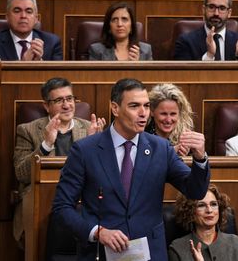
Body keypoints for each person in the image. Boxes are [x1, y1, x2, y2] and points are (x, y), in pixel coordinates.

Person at [52, 78, 210, 260]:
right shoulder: (85, 150)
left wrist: (200, 159)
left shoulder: (161, 149)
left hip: (150, 253)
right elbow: (62, 207)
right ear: (115, 108)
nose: (143, 113)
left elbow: (196, 191)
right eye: (134, 106)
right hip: (101, 253)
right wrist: (98, 232)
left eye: (147, 106)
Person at [13, 77, 105, 243]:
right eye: (58, 100)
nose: (66, 105)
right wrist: (46, 144)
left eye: (70, 99)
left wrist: (92, 145)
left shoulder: (89, 128)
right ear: (46, 106)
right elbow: (21, 174)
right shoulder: (27, 130)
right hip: (43, 199)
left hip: (81, 196)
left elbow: (102, 173)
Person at [0, 0, 63, 96]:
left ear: (36, 18)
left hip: (41, 101)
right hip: (6, 99)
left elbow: (59, 83)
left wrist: (40, 63)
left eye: (29, 11)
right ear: (7, 17)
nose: (23, 16)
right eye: (17, 11)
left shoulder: (52, 42)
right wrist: (21, 65)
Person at [168, 184, 238, 261]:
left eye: (214, 204)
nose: (209, 210)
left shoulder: (235, 243)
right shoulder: (177, 248)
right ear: (190, 211)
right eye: (201, 205)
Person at [174, 0, 238, 60]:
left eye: (222, 8)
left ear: (229, 13)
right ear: (203, 10)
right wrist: (209, 56)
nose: (216, 13)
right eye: (211, 7)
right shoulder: (186, 42)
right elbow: (183, 76)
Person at [89, 2, 153, 61]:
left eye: (124, 19)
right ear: (109, 27)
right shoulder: (96, 50)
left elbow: (151, 74)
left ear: (131, 26)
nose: (119, 24)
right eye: (115, 20)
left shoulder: (146, 50)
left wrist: (137, 65)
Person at [147, 83, 195, 157]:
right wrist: (170, 153)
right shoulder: (142, 136)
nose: (168, 120)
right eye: (163, 114)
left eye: (173, 114)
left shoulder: (187, 137)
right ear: (152, 111)